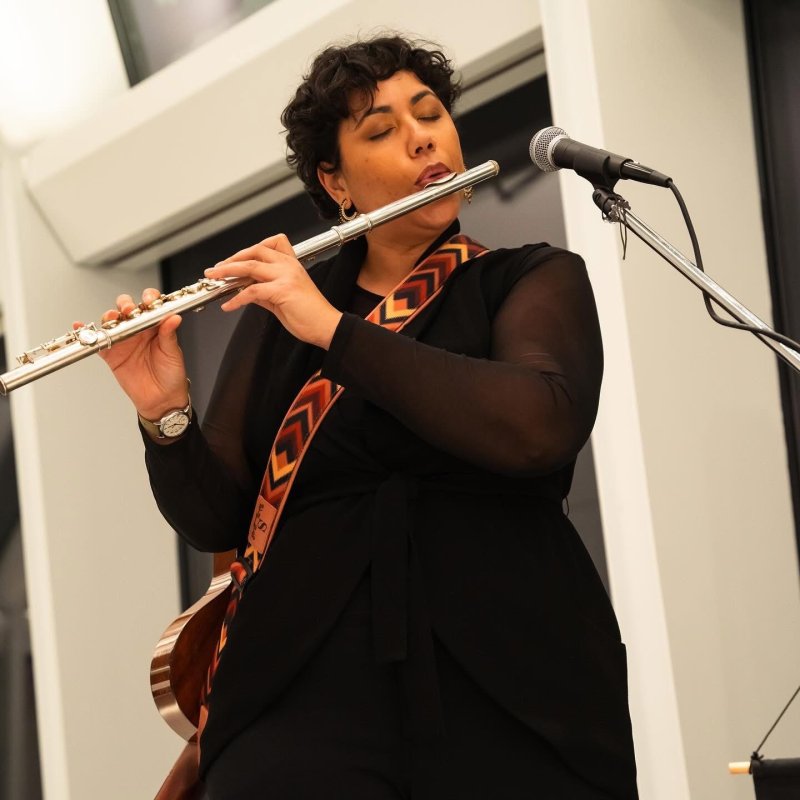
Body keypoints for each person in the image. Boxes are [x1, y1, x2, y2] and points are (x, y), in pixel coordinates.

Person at [100, 35, 637, 799]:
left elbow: (537, 427)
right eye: (381, 129)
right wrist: (164, 411)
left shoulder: (528, 279)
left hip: (512, 677)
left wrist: (332, 329)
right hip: (300, 682)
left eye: (430, 114)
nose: (423, 135)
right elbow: (217, 516)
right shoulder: (277, 320)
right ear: (335, 179)